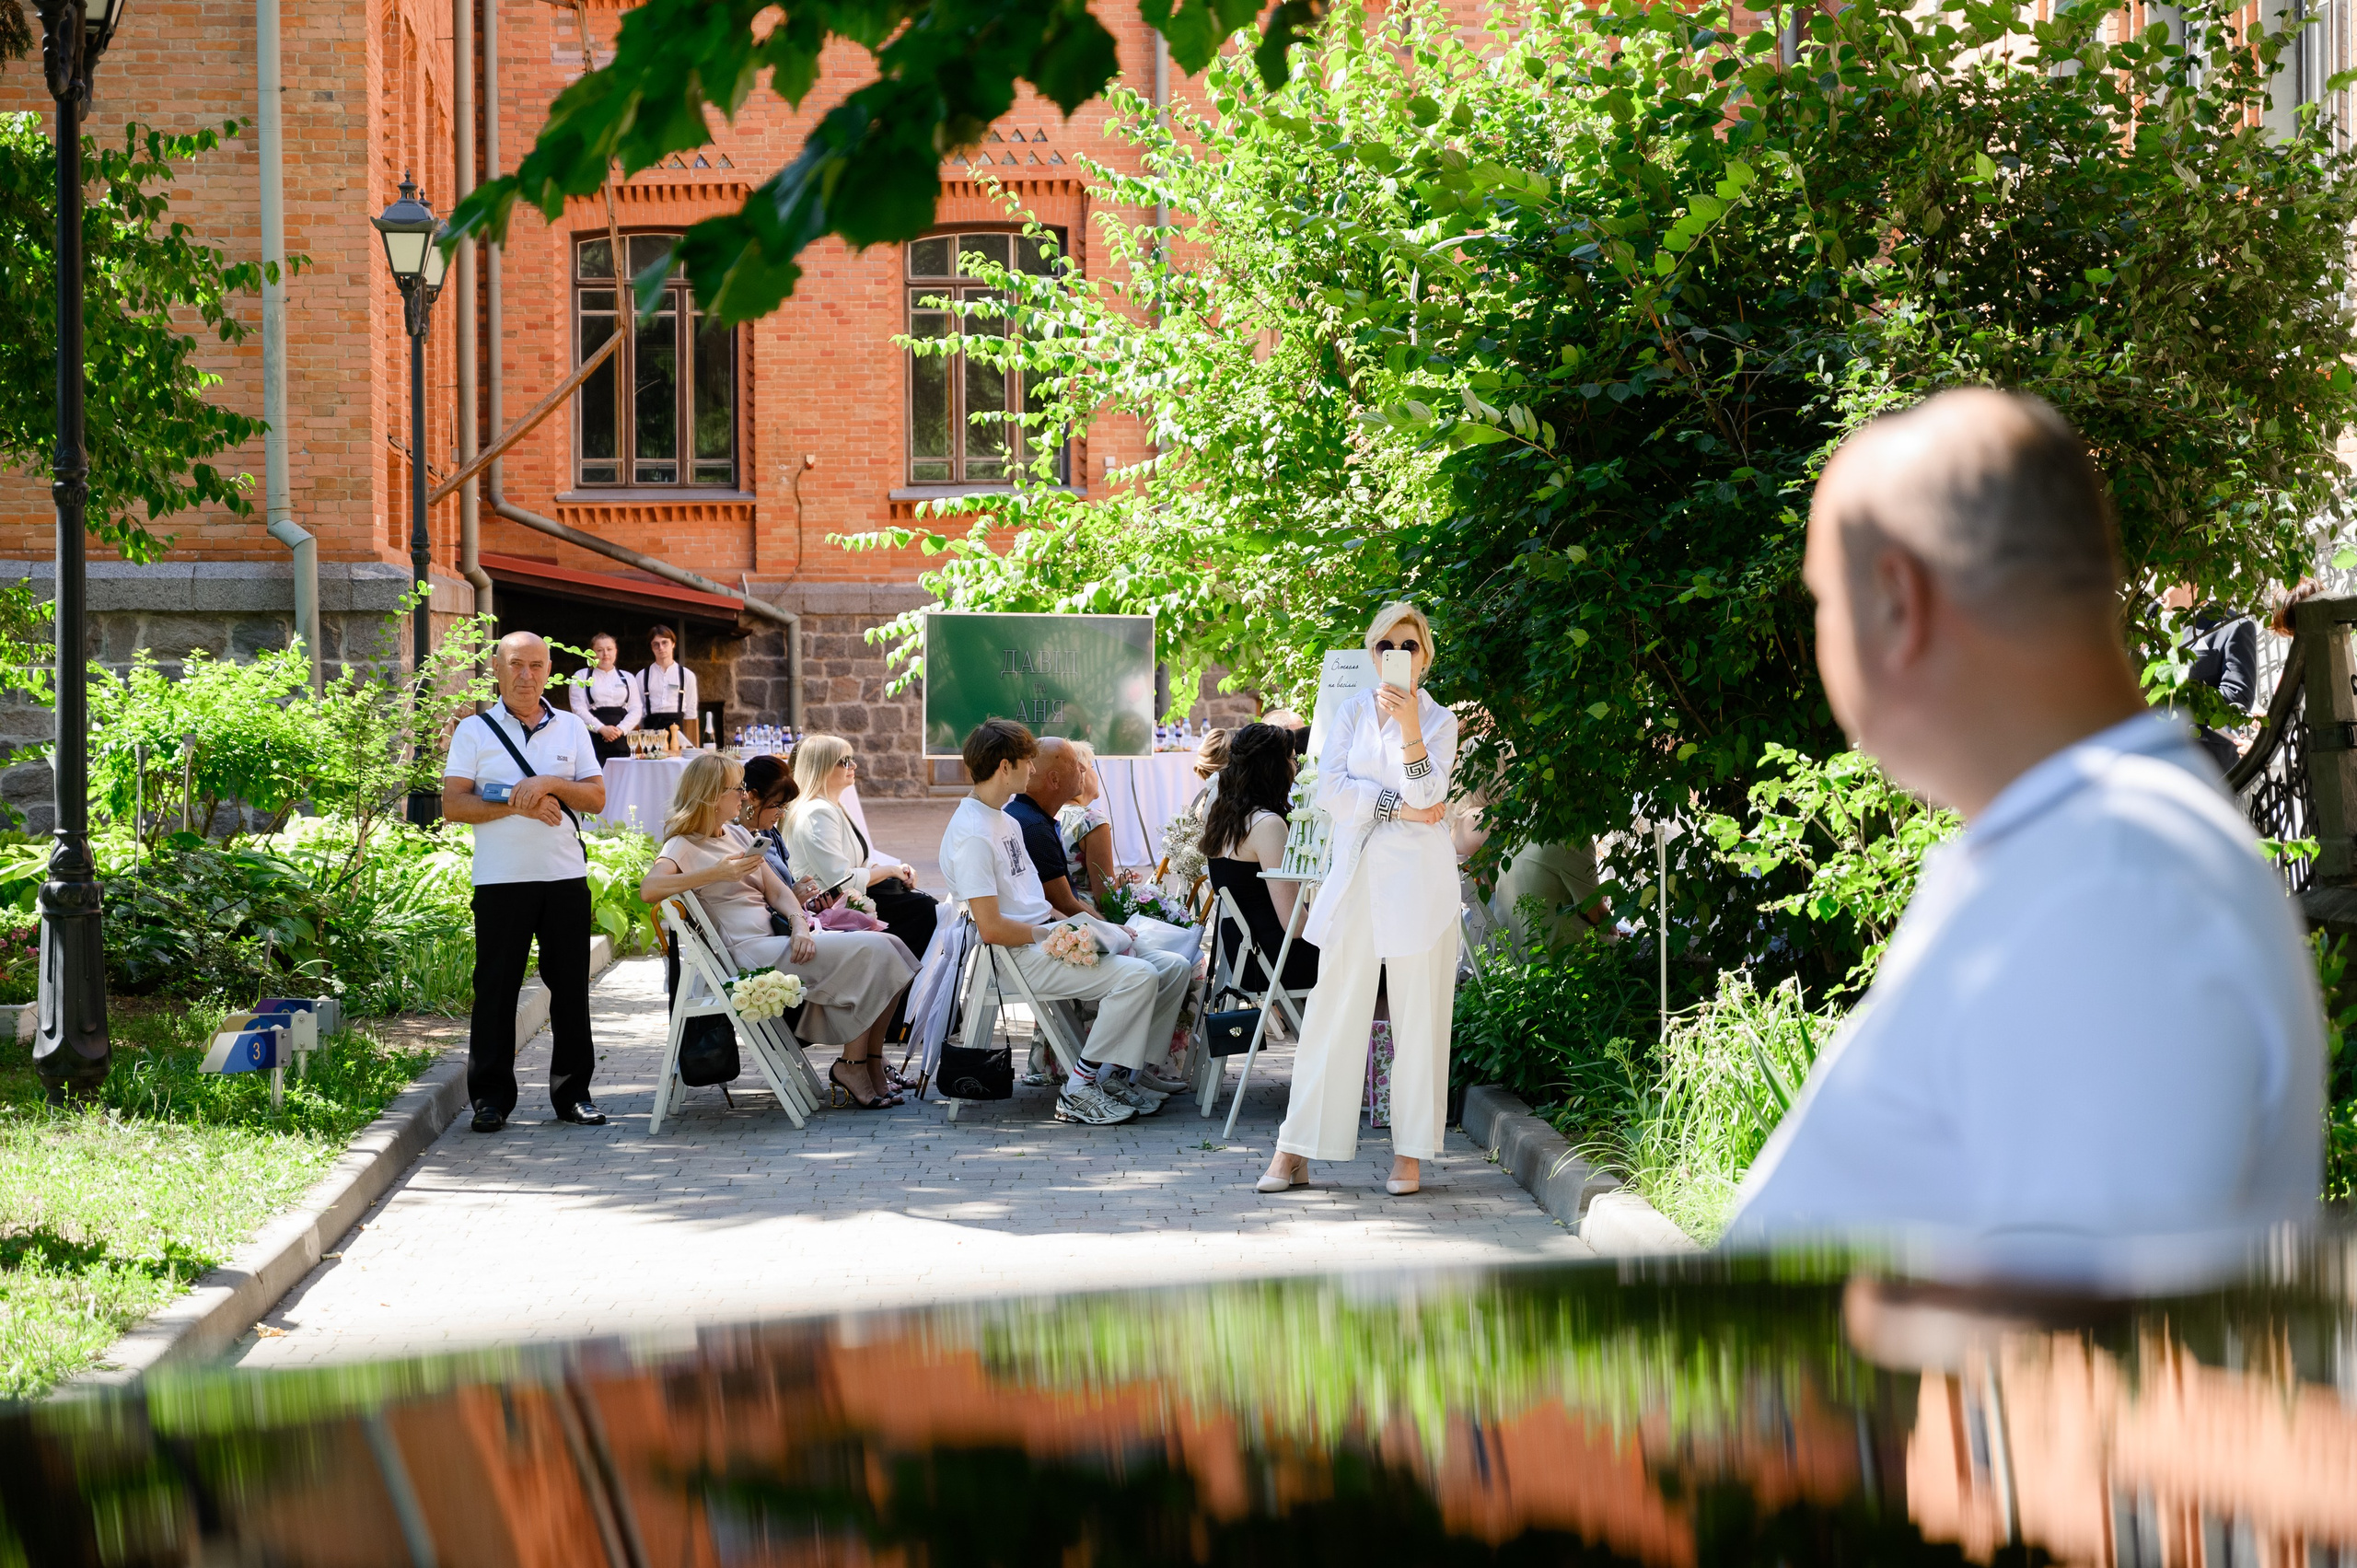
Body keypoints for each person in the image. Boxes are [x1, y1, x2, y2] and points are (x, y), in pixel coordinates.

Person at [1723, 388, 2324, 1266]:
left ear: (1899, 599)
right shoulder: (2095, 854)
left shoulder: (2113, 888)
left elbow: (2082, 1336)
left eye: (1822, 602)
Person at [1258, 603, 1457, 1199]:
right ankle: (1294, 1148)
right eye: (1385, 646)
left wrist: (1411, 730)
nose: (1396, 654)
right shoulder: (1349, 712)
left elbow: (1431, 792)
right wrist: (1398, 809)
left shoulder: (1441, 720)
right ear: (1372, 654)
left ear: (1424, 655)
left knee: (1418, 1015)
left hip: (1420, 884)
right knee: (1332, 1011)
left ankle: (1410, 1153)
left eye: (1408, 645)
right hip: (1356, 879)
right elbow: (1333, 793)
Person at [940, 719, 1187, 1127]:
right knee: (1138, 976)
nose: (1033, 768)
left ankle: (1118, 1076)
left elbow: (1037, 903)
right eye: (1026, 761)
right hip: (1013, 955)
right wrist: (1057, 933)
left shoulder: (1005, 820)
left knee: (1172, 966)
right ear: (1005, 767)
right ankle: (1079, 1089)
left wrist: (1091, 929)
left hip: (1040, 940)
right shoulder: (973, 834)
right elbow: (992, 928)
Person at [638, 753, 917, 1109]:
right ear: (711, 796)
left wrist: (799, 924)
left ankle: (870, 1063)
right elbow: (649, 889)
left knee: (894, 947)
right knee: (877, 950)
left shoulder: (736, 833)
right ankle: (852, 1065)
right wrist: (717, 873)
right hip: (746, 954)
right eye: (736, 788)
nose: (743, 795)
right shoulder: (682, 844)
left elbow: (778, 891)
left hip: (775, 942)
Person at [442, 632, 612, 1132]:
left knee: (571, 990)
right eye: (516, 664)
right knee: (495, 990)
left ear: (548, 670)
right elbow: (454, 804)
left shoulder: (573, 728)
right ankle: (490, 1099)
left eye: (536, 666)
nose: (526, 675)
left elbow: (596, 798)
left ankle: (573, 1094)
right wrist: (519, 803)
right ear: (497, 669)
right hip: (501, 881)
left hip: (564, 878)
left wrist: (550, 784)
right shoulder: (474, 730)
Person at [1007, 736, 1194, 1109]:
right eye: (1078, 766)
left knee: (1176, 966)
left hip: (1061, 931)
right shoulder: (1032, 825)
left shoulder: (1041, 818)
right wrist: (1112, 930)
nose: (1084, 771)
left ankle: (1127, 1071)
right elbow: (1064, 903)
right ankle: (1092, 1079)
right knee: (1143, 971)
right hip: (1042, 943)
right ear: (1054, 779)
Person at [784, 733, 939, 962]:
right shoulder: (817, 812)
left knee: (924, 907)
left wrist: (897, 870)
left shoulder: (832, 806)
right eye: (844, 761)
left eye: (852, 759)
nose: (854, 765)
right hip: (830, 909)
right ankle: (905, 981)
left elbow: (860, 861)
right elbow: (842, 879)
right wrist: (890, 870)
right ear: (822, 768)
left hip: (850, 900)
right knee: (925, 910)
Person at [1202, 722, 1320, 992]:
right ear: (1274, 768)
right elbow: (1295, 925)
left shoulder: (1224, 817)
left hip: (1243, 956)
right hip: (1275, 961)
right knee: (1375, 966)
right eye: (1292, 760)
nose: (1295, 767)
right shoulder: (1267, 825)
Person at [739, 754, 821, 902]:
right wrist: (792, 899)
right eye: (778, 806)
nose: (782, 815)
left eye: (785, 807)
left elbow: (787, 884)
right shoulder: (732, 838)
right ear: (753, 797)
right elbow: (747, 902)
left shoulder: (768, 832)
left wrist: (807, 901)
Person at [567, 631, 642, 765]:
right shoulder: (581, 676)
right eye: (600, 650)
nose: (605, 654)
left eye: (609, 649)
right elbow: (578, 708)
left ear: (616, 651)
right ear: (592, 653)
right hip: (592, 738)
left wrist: (620, 730)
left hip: (621, 739)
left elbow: (636, 709)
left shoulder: (628, 677)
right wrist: (601, 728)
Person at [1056, 740, 1118, 902]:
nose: (1095, 774)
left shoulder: (1047, 813)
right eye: (1092, 767)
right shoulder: (1091, 821)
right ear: (1080, 772)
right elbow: (1106, 898)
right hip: (1084, 913)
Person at [639, 623, 700, 745]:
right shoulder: (642, 676)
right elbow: (639, 711)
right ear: (651, 647)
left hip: (678, 734)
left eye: (664, 643)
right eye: (656, 644)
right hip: (651, 733)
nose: (660, 648)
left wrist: (689, 742)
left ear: (673, 644)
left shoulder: (687, 675)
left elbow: (691, 712)